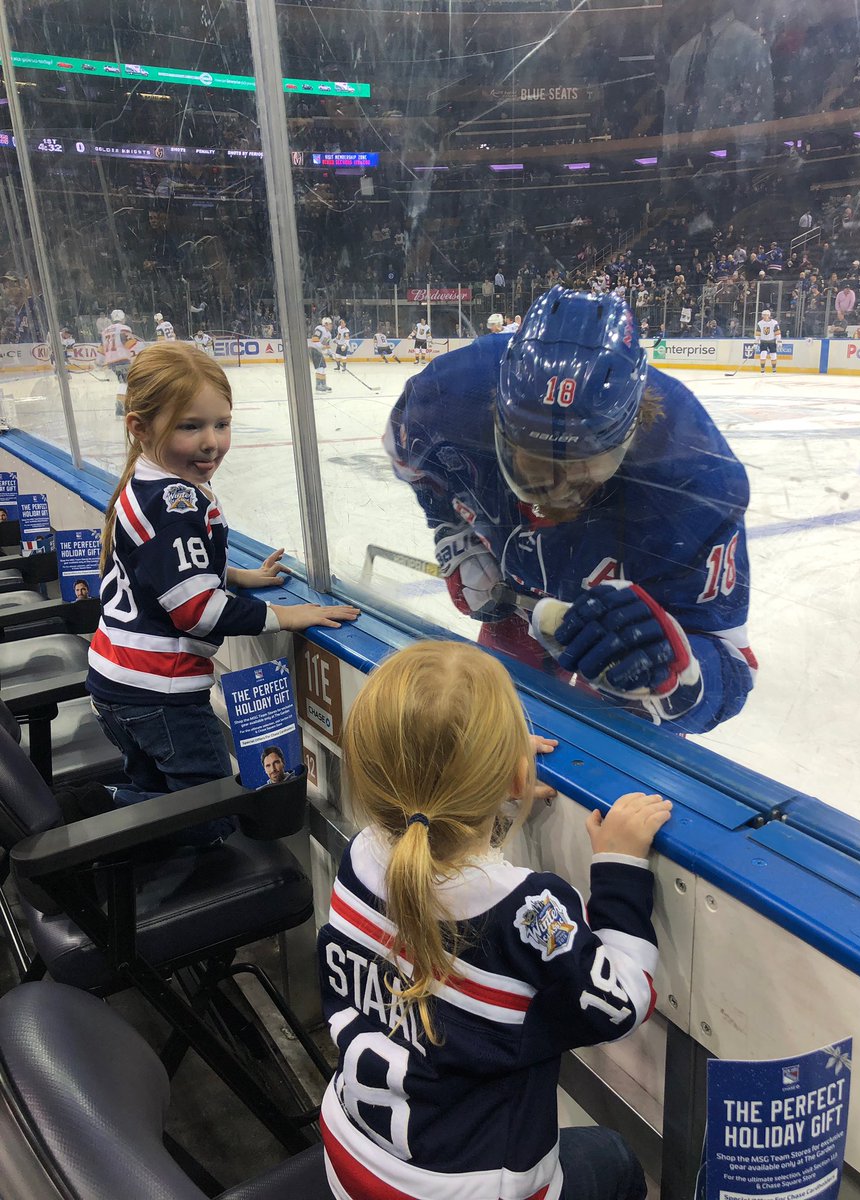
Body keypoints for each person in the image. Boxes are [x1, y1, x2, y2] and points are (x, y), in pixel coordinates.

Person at [317, 639, 669, 1200]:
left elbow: (438, 853)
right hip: (468, 1190)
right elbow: (622, 1002)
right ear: (512, 778)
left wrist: (473, 775)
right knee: (617, 1159)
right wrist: (620, 869)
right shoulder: (527, 910)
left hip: (350, 1160)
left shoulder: (358, 857)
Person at [385, 287, 755, 734]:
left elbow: (732, 663)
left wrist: (679, 674)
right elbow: (416, 461)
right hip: (520, 604)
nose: (556, 496)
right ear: (495, 419)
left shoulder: (694, 474)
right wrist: (453, 532)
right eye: (538, 466)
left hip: (626, 627)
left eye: (579, 470)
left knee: (610, 738)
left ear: (632, 431)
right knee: (489, 723)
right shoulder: (452, 393)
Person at [86, 343, 359, 842]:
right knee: (209, 816)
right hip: (159, 693)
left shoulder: (143, 484)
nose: (212, 442)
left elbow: (158, 570)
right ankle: (90, 816)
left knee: (161, 796)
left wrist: (234, 575)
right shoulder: (175, 503)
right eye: (191, 427)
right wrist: (285, 616)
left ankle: (121, 848)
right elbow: (195, 611)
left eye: (222, 424)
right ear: (140, 428)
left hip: (114, 683)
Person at [99, 309, 139, 417]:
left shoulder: (105, 331)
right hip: (123, 359)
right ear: (122, 318)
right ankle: (120, 407)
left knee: (124, 381)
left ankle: (124, 405)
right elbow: (130, 344)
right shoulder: (124, 329)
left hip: (111, 361)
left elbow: (102, 349)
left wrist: (99, 362)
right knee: (125, 382)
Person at [309, 315, 334, 393]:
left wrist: (331, 353)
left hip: (319, 351)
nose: (331, 326)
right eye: (330, 324)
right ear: (325, 324)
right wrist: (323, 349)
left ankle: (323, 384)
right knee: (320, 367)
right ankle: (318, 385)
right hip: (314, 349)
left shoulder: (329, 334)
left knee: (322, 366)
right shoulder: (319, 329)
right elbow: (315, 340)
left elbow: (327, 345)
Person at [755, 308, 780, 373]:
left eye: (765, 315)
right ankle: (762, 369)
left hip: (772, 341)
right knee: (763, 354)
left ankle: (774, 369)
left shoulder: (774, 323)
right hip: (763, 341)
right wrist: (756, 342)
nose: (764, 316)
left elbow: (777, 332)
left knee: (773, 355)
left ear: (768, 315)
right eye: (763, 315)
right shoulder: (760, 323)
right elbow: (758, 333)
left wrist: (779, 340)